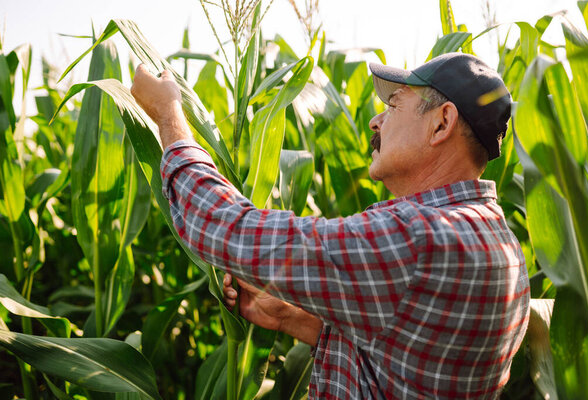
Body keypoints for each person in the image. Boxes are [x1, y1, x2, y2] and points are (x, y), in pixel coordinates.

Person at [131, 52, 530, 399]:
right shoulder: (500, 242)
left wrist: (169, 116)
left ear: (442, 123)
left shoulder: (419, 238)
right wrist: (290, 317)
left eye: (393, 105)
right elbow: (410, 363)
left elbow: (229, 229)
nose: (375, 122)